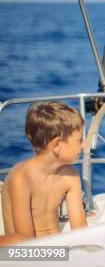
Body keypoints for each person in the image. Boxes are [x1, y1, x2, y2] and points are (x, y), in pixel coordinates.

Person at [1, 102, 87, 239]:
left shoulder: (71, 176)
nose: (84, 145)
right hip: (23, 253)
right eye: (80, 140)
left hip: (53, 248)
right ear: (57, 144)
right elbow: (26, 242)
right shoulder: (21, 178)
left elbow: (81, 229)